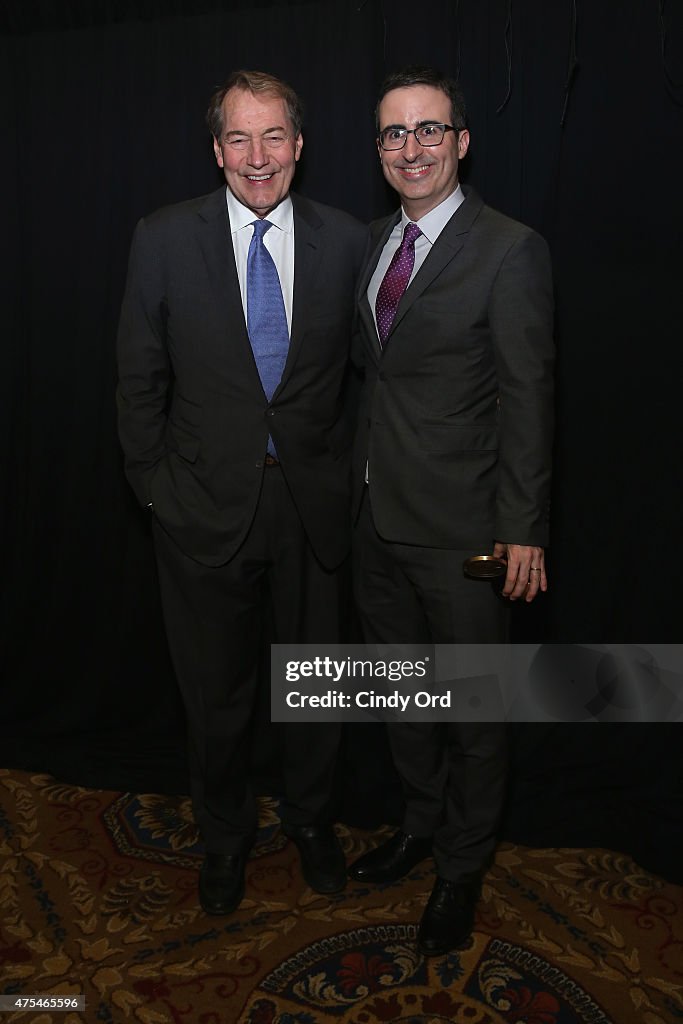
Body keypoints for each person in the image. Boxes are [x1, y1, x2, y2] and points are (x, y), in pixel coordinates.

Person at [117, 70, 366, 916]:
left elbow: (372, 380)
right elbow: (137, 377)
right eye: (238, 138)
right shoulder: (161, 238)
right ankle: (223, 839)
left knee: (313, 687)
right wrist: (156, 489)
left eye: (272, 138)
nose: (256, 158)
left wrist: (351, 475)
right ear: (215, 149)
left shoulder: (346, 240)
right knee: (214, 698)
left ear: (299, 145)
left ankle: (311, 823)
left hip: (312, 510)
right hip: (200, 512)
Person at [348, 66, 554, 956]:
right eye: (395, 133)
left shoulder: (510, 248)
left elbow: (527, 396)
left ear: (461, 142)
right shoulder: (367, 244)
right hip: (373, 524)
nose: (411, 148)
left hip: (468, 533)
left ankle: (462, 869)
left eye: (428, 130)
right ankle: (420, 826)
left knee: (471, 714)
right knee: (404, 699)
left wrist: (522, 529)